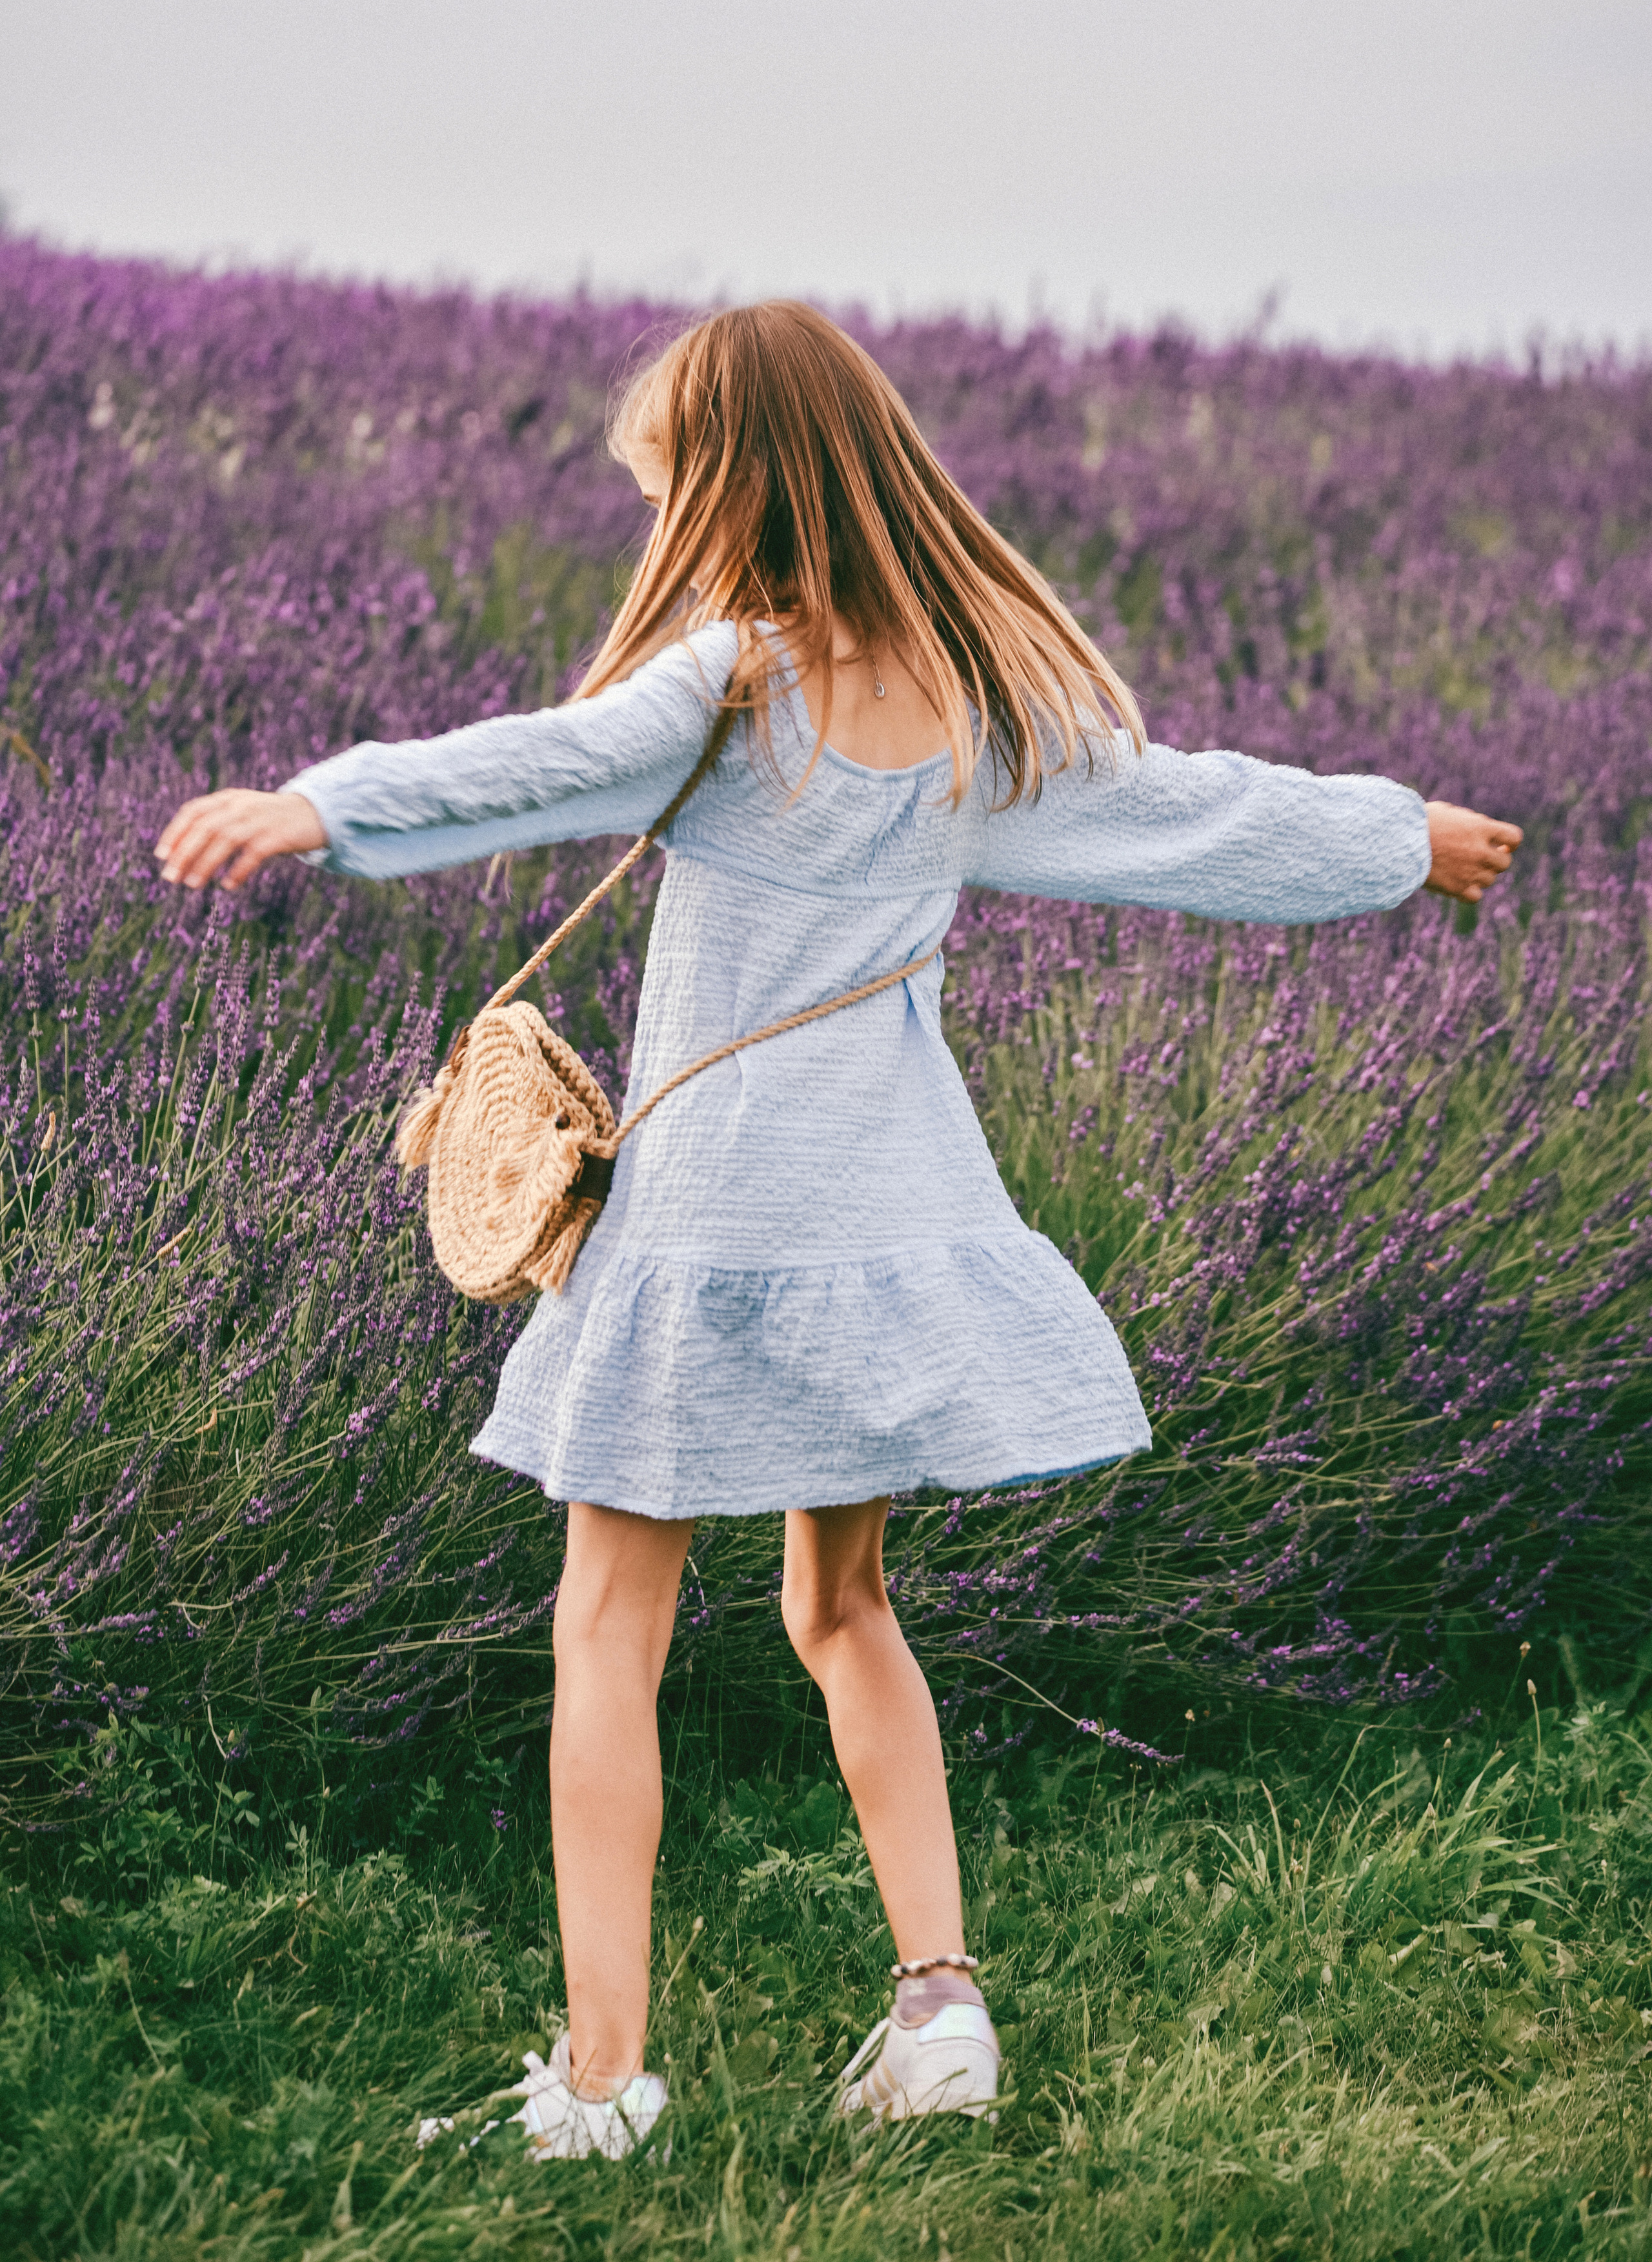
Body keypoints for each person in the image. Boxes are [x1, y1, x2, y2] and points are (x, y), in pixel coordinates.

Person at [156, 301, 1521, 2157]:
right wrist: (1401, 834)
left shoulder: (730, 687)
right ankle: (940, 2012)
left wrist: (318, 806)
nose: (661, 517)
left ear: (732, 484)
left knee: (606, 1632)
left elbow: (533, 760)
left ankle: (602, 2083)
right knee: (843, 1601)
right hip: (889, 1219)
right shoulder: (971, 702)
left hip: (715, 1228)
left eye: (669, 484)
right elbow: (1197, 817)